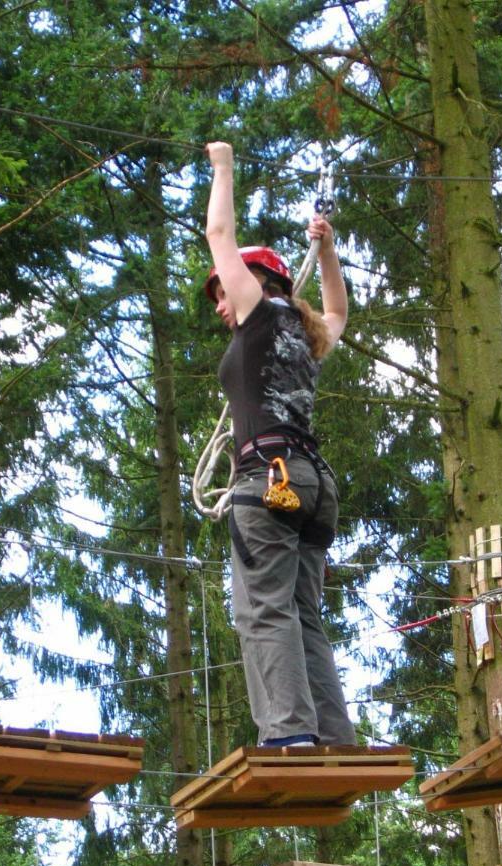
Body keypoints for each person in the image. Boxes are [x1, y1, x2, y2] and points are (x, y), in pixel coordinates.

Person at [204, 140, 356, 748]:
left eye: (224, 289)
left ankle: (290, 734)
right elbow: (338, 309)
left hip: (268, 478)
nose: (220, 301)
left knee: (263, 610)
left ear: (257, 280)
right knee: (302, 614)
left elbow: (219, 230)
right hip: (313, 485)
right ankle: (334, 737)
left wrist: (223, 165)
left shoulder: (259, 311)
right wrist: (329, 253)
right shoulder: (309, 332)